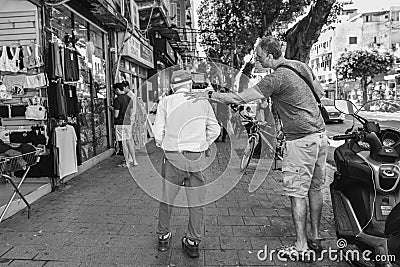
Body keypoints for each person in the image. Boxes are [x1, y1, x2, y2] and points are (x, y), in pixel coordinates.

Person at [186, 36, 328, 262]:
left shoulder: (276, 78)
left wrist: (209, 95)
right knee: (315, 188)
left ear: (270, 56)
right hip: (320, 137)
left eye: (260, 56)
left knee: (297, 192)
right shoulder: (300, 66)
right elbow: (319, 93)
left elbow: (239, 97)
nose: (258, 60)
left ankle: (301, 246)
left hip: (301, 141)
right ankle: (316, 237)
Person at [153, 70, 220, 258]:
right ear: (190, 84)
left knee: (167, 199)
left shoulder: (165, 102)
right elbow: (214, 129)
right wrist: (203, 144)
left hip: (173, 157)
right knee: (196, 202)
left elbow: (158, 133)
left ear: (173, 86)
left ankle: (163, 238)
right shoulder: (202, 101)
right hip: (195, 158)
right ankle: (192, 242)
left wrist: (165, 144)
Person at [113, 82, 138, 167]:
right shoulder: (129, 98)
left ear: (117, 90)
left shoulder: (117, 100)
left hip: (120, 123)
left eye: (115, 90)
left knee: (124, 143)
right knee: (129, 141)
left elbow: (116, 114)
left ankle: (127, 162)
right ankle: (134, 161)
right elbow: (131, 112)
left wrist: (112, 110)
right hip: (128, 123)